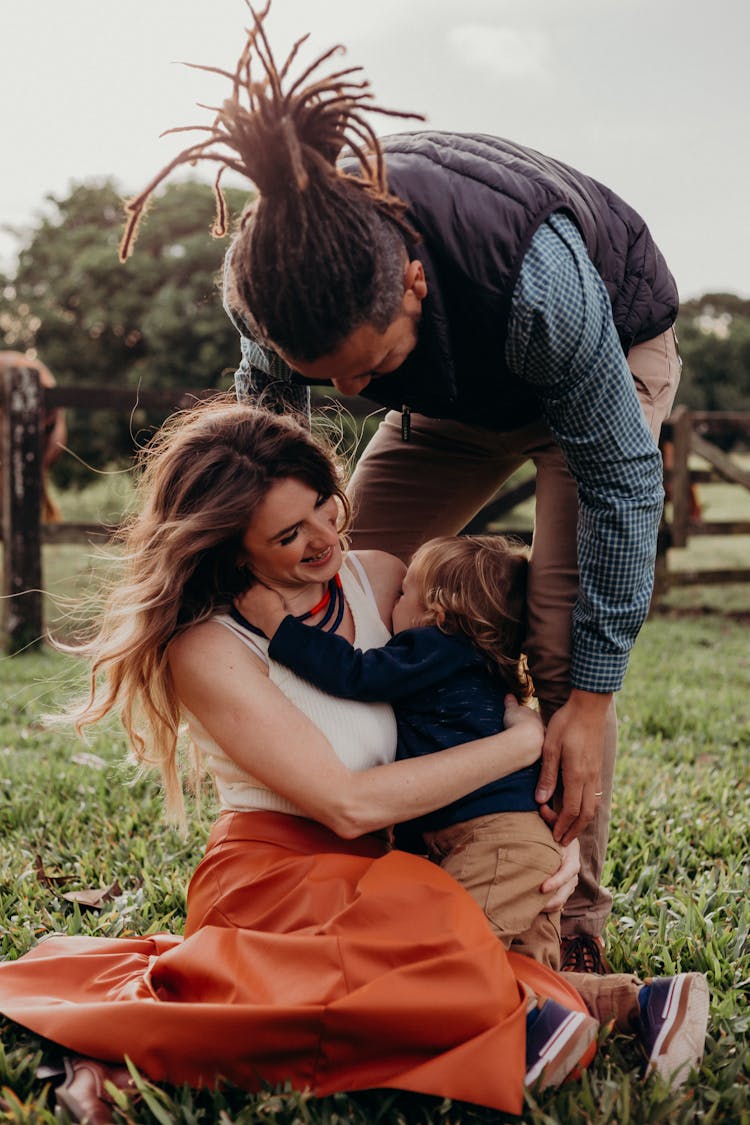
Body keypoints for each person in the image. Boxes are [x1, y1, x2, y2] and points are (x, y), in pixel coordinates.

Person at [118, 5, 683, 971]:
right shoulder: (273, 282)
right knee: (351, 575)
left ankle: (564, 931)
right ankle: (414, 843)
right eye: (328, 374)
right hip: (447, 389)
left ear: (413, 284)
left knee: (559, 638)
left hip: (599, 364)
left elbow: (624, 478)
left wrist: (587, 699)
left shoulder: (537, 279)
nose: (349, 396)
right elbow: (265, 460)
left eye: (364, 368)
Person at [0, 404, 707, 1123]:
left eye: (322, 507)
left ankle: (539, 1013)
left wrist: (528, 834)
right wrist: (520, 743)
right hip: (276, 878)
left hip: (396, 863)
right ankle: (520, 1021)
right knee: (434, 951)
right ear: (232, 551)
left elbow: (464, 695)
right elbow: (347, 803)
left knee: (457, 937)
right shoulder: (208, 646)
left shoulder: (383, 578)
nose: (324, 538)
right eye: (288, 534)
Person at [238, 533, 567, 968]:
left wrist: (280, 627)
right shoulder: (482, 666)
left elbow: (355, 674)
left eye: (404, 591)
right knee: (528, 968)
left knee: (445, 960)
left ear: (436, 610)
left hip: (491, 844)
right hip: (522, 843)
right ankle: (617, 1009)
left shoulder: (434, 646)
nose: (394, 598)